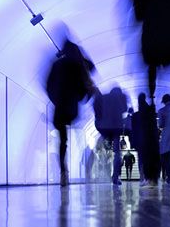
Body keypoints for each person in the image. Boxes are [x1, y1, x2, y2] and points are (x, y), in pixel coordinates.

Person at [46, 37, 97, 186]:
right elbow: (84, 84)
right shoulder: (77, 66)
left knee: (62, 140)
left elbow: (48, 85)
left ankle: (63, 171)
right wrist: (80, 97)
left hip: (59, 107)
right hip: (71, 107)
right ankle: (66, 171)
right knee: (66, 139)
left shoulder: (57, 64)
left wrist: (55, 99)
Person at [93, 87, 129, 185]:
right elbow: (124, 109)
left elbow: (96, 106)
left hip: (104, 127)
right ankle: (116, 176)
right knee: (117, 153)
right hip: (116, 127)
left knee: (103, 142)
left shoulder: (104, 97)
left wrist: (98, 119)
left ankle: (104, 144)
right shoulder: (122, 97)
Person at [157, 94, 170, 183]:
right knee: (168, 156)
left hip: (166, 134)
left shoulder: (161, 111)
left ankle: (165, 175)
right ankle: (169, 176)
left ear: (163, 101)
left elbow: (161, 124)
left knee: (164, 155)